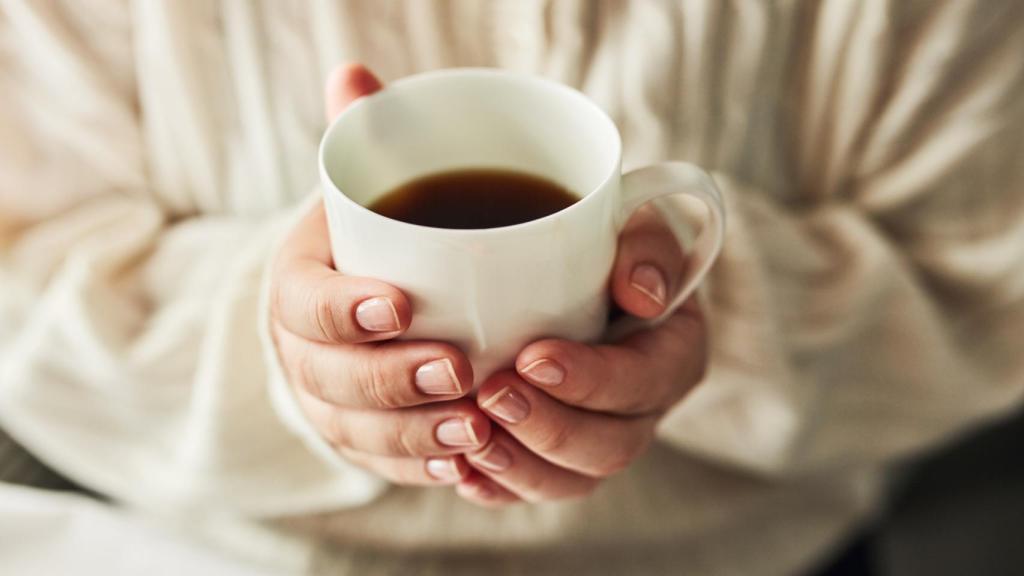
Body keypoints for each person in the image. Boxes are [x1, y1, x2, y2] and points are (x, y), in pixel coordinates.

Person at [1, 2, 1021, 574]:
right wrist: (282, 352)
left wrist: (719, 316)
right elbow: (23, 276)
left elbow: (988, 293)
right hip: (229, 555)